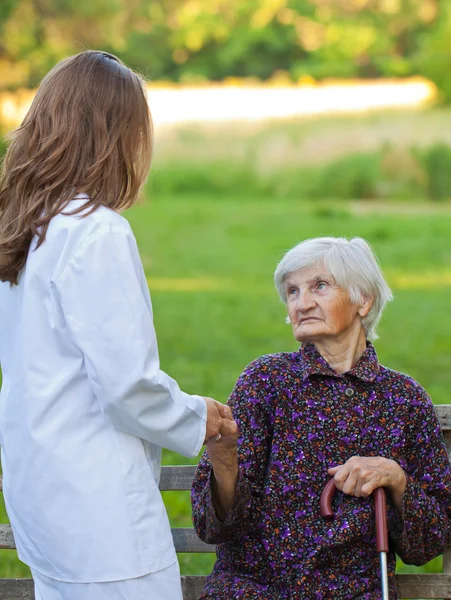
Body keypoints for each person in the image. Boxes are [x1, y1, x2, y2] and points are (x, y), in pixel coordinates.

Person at [0, 50, 231, 600]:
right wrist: (200, 417)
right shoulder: (96, 232)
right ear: (115, 135)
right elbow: (127, 386)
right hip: (98, 515)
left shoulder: (23, 231)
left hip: (41, 495)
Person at [191, 236, 451, 599]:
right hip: (254, 591)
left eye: (320, 286)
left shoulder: (402, 399)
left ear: (364, 300)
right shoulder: (266, 380)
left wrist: (396, 479)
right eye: (293, 291)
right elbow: (213, 526)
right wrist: (224, 462)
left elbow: (431, 541)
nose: (302, 303)